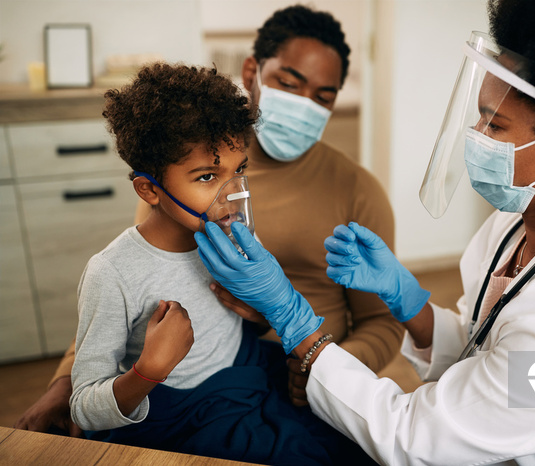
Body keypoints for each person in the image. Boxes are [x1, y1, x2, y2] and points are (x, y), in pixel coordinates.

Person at [195, 0, 535, 464]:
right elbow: (489, 353)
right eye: (479, 117)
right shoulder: (524, 221)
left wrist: (292, 317)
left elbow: (411, 438)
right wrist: (411, 302)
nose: (475, 139)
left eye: (495, 126)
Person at [15, 4, 402, 435]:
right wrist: (64, 383)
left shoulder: (358, 190)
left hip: (293, 368)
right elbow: (124, 300)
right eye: (289, 84)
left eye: (323, 97)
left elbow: (382, 322)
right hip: (193, 396)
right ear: (252, 71)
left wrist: (327, 367)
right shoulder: (177, 193)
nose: (232, 194)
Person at [66, 62, 370, 465]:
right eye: (208, 177)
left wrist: (257, 318)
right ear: (149, 189)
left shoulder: (234, 237)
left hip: (249, 377)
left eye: (239, 170)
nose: (234, 195)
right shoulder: (113, 273)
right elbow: (84, 405)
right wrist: (148, 370)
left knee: (355, 444)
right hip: (179, 418)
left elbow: (245, 322)